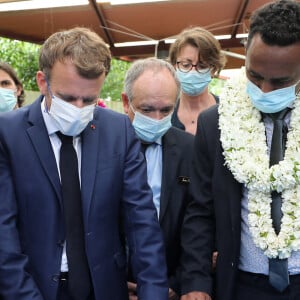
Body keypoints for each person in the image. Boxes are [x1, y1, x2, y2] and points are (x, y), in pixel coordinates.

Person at [0, 27, 169, 300]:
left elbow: (142, 225)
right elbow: (3, 236)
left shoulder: (118, 131)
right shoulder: (8, 134)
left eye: (89, 99)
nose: (79, 108)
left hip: (103, 288)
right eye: (68, 98)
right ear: (43, 82)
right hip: (34, 287)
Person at [180, 0, 300, 300]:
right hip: (242, 284)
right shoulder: (215, 123)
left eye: (281, 81)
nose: (265, 90)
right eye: (255, 76)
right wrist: (196, 281)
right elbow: (200, 211)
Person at [121, 57, 194, 300]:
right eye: (147, 110)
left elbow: (197, 223)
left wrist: (175, 283)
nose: (156, 119)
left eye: (166, 110)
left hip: (171, 286)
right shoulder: (103, 146)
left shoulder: (190, 149)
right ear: (125, 102)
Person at [168, 26, 226, 135]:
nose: (193, 71)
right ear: (174, 66)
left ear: (213, 69)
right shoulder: (165, 114)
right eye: (186, 65)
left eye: (202, 65)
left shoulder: (227, 112)